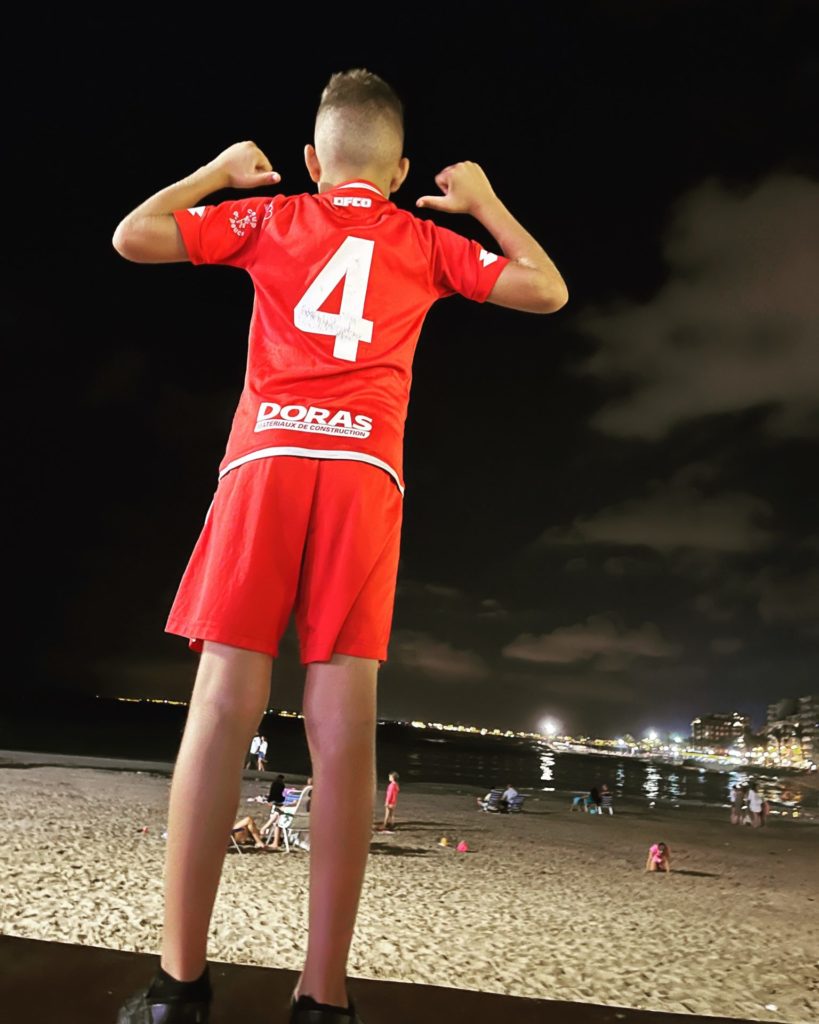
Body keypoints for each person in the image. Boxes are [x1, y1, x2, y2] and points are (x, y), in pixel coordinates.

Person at [111, 67, 567, 1024]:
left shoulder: (274, 217)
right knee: (343, 722)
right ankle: (322, 997)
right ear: (399, 173)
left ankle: (177, 989)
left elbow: (134, 235)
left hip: (267, 458)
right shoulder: (425, 241)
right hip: (364, 473)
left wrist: (219, 171)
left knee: (223, 701)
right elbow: (545, 289)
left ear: (314, 163)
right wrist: (484, 202)